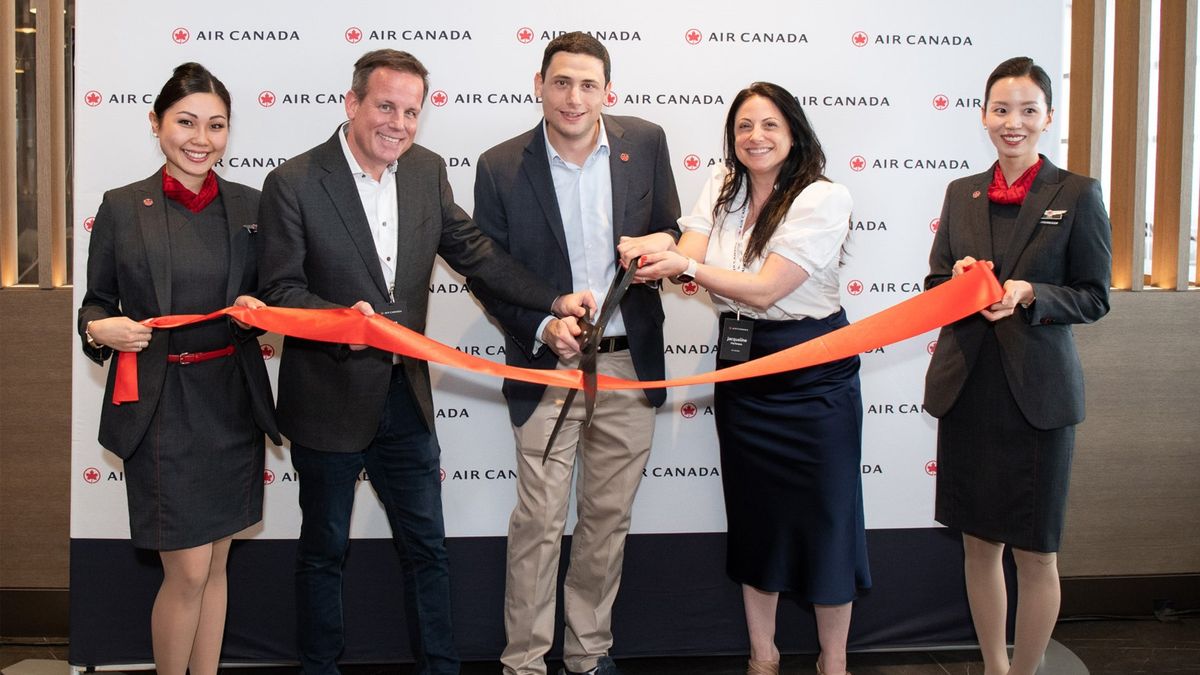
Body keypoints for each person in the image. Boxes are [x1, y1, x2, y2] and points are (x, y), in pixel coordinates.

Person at [255, 49, 594, 675]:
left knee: (427, 552)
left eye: (412, 112)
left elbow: (478, 256)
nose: (400, 124)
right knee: (323, 552)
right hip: (328, 399)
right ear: (352, 103)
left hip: (405, 400)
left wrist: (552, 298)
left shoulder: (426, 172)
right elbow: (279, 291)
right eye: (386, 107)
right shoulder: (294, 182)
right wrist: (343, 322)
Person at [619, 81, 869, 675]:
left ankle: (833, 662)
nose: (755, 137)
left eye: (769, 125)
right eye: (743, 127)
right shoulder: (722, 185)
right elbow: (692, 249)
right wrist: (665, 249)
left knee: (828, 518)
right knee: (754, 516)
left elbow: (765, 288)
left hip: (812, 366)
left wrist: (685, 264)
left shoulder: (823, 197)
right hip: (742, 365)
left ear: (794, 132)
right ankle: (763, 656)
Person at [470, 32, 681, 675]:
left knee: (607, 517)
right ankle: (525, 662)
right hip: (548, 363)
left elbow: (671, 227)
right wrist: (542, 326)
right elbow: (488, 274)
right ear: (539, 84)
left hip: (627, 362)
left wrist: (657, 249)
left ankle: (589, 654)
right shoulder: (501, 165)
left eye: (588, 84)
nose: (574, 97)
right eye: (561, 82)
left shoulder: (643, 144)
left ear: (607, 91)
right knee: (538, 520)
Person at [77, 62, 280, 675]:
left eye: (216, 126)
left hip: (231, 402)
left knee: (216, 564)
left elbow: (272, 299)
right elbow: (96, 304)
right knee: (187, 569)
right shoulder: (121, 207)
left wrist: (259, 313)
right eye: (186, 122)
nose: (201, 138)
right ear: (156, 123)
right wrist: (98, 330)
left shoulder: (251, 205)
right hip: (163, 408)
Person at [923, 56, 1112, 675]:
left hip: (1039, 399)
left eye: (1028, 110)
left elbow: (1094, 295)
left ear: (1047, 118)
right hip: (971, 390)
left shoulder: (1077, 193)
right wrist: (954, 282)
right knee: (979, 545)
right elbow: (933, 282)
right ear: (983, 116)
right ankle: (994, 668)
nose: (1014, 122)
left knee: (1035, 553)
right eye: (1002, 109)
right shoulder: (961, 193)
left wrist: (1031, 294)